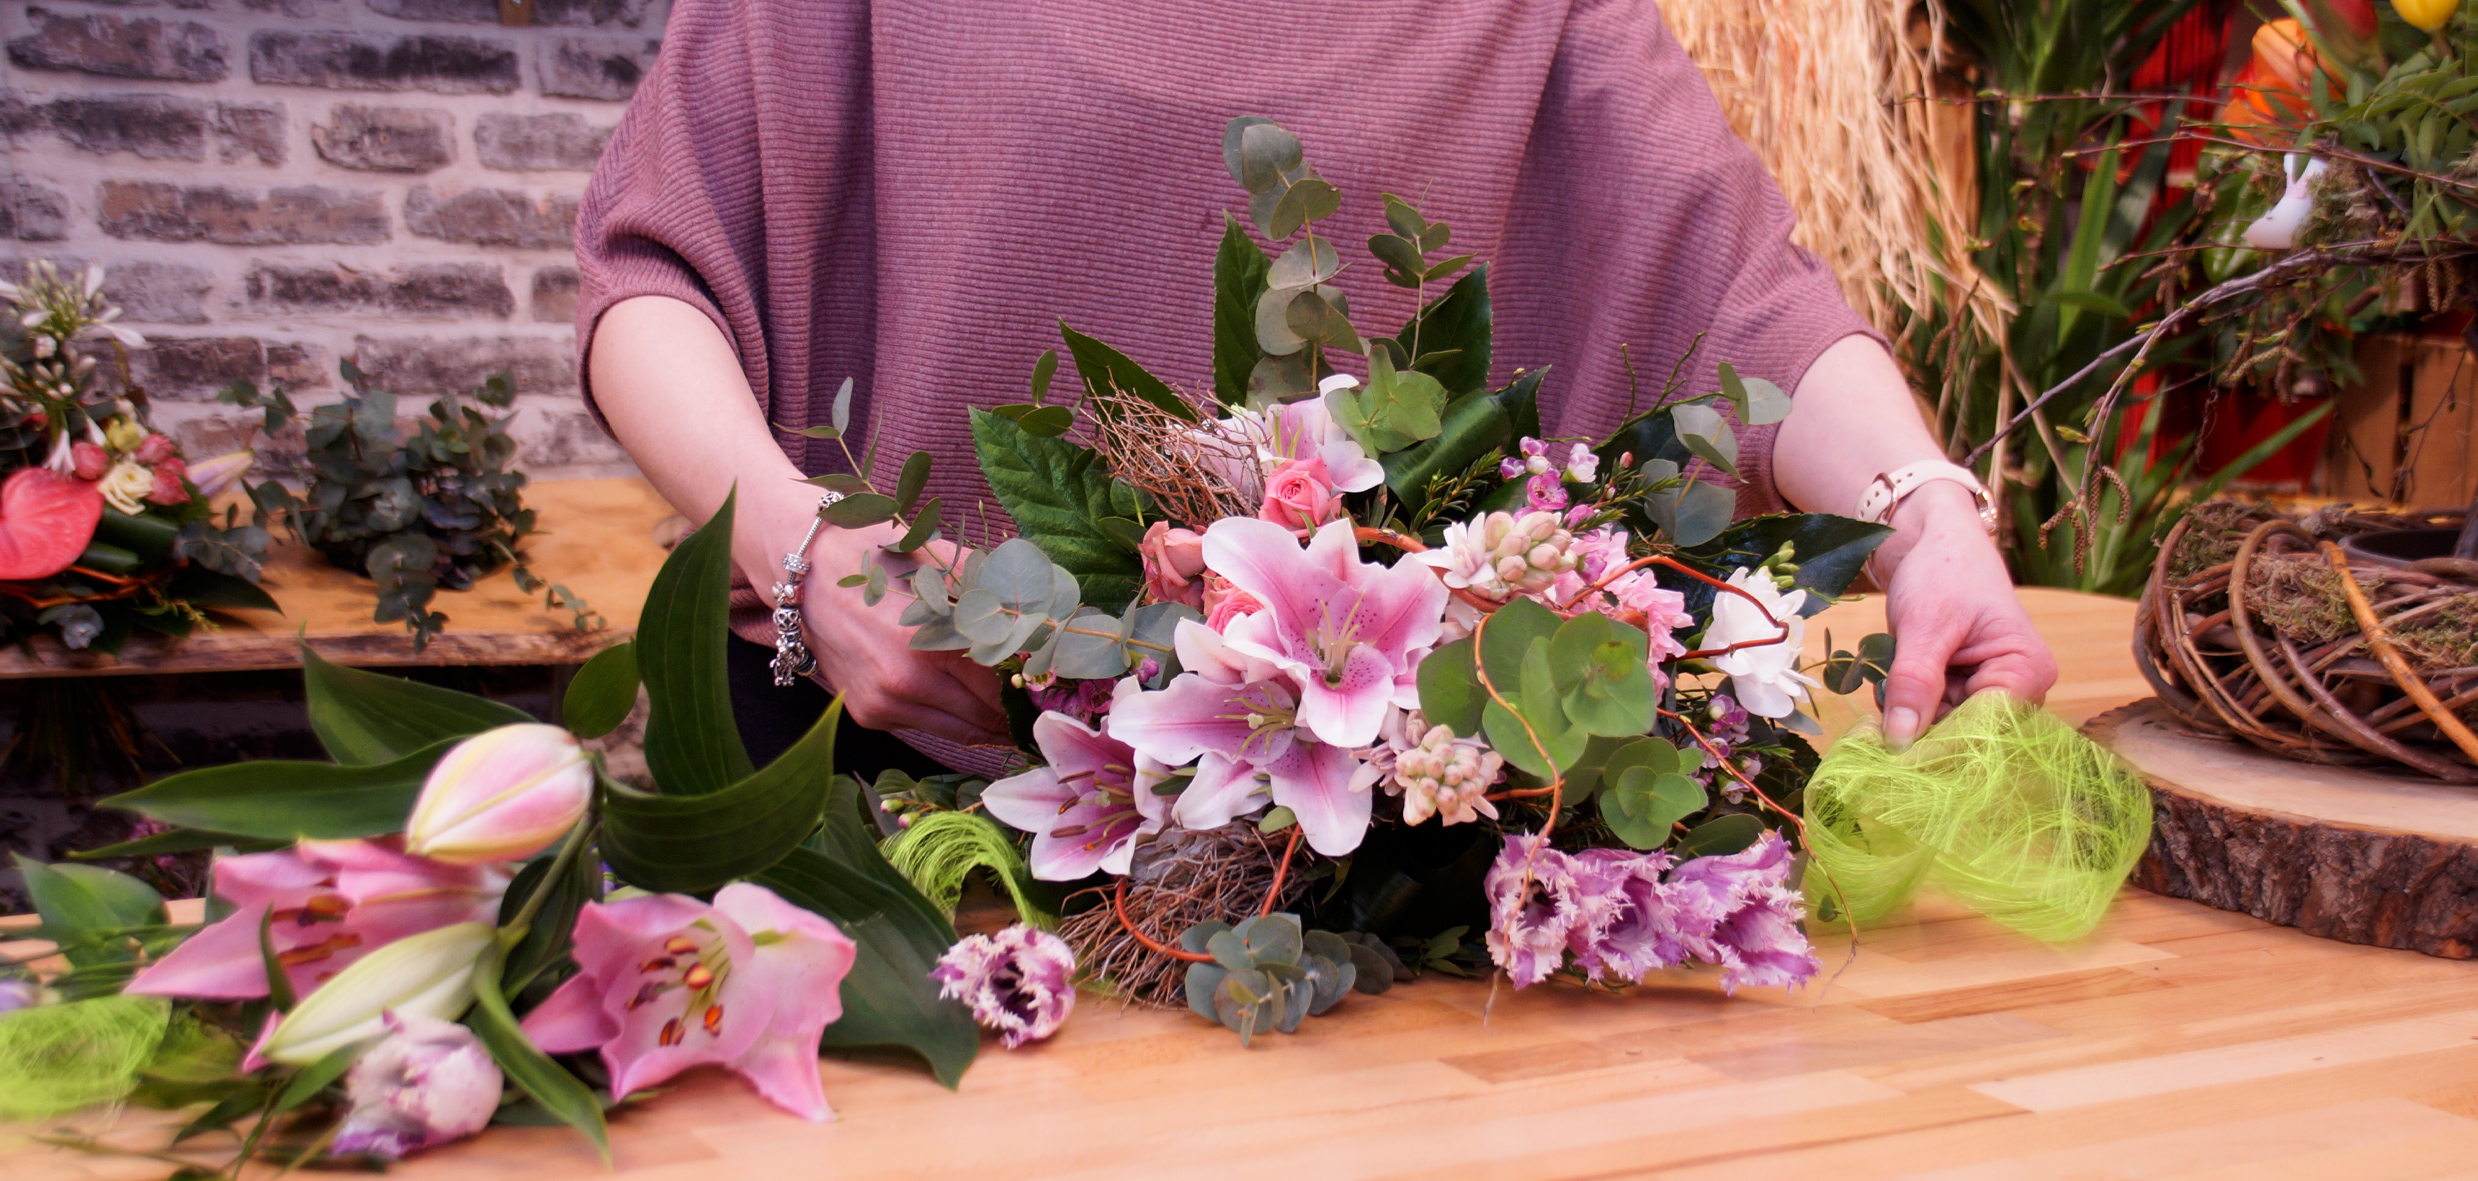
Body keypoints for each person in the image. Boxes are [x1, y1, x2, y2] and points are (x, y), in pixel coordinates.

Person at [577, 0, 2058, 770]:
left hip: (1352, 820)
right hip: (882, 759)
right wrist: (805, 555)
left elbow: (1743, 301)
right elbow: (652, 284)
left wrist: (1925, 515)